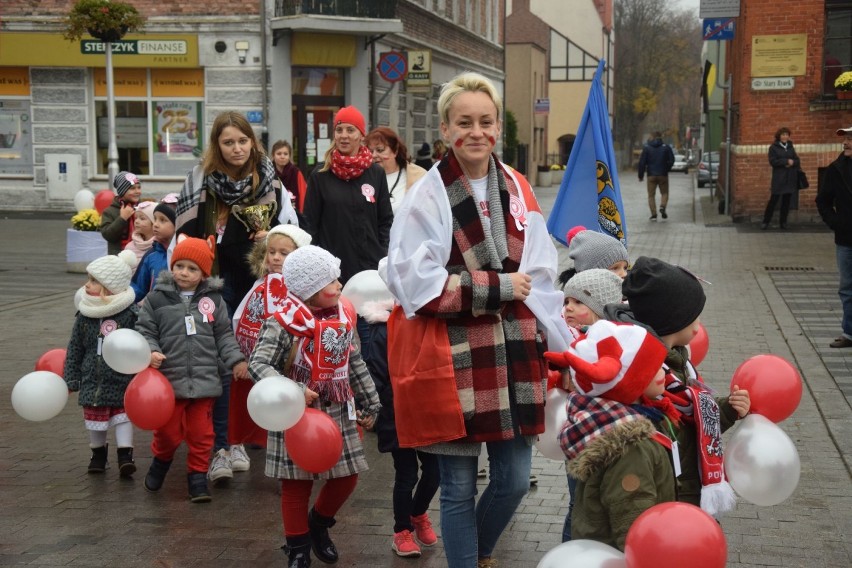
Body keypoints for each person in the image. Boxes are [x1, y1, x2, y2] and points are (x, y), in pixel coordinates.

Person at [385, 71, 570, 568]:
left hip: (514, 352)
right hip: (452, 356)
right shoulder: (425, 195)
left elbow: (543, 271)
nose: (476, 131)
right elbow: (414, 287)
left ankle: (479, 552)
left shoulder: (516, 184)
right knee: (457, 488)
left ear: (497, 128)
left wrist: (563, 341)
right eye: (464, 122)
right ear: (446, 128)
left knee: (512, 482)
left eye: (485, 121)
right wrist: (499, 286)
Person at [248, 245, 381, 568]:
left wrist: (372, 401)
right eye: (330, 281)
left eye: (337, 279)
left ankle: (319, 524)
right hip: (294, 413)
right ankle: (297, 547)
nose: (339, 285)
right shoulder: (282, 322)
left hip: (336, 407)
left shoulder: (342, 316)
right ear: (309, 290)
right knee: (295, 483)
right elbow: (258, 364)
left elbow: (352, 360)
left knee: (346, 476)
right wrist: (294, 389)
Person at [175, 110, 280, 483]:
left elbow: (287, 235)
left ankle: (241, 439)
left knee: (250, 360)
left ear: (252, 141)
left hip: (256, 283)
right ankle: (221, 445)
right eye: (228, 142)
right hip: (214, 283)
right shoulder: (201, 179)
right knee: (220, 363)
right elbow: (185, 236)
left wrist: (268, 236)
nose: (236, 148)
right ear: (217, 146)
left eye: (242, 141)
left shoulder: (267, 177)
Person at [617, 256, 750, 514]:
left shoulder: (678, 363)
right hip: (666, 499)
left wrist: (727, 408)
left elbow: (690, 421)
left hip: (685, 492)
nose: (699, 327)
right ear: (673, 321)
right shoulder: (648, 377)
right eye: (695, 318)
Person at [544, 320, 677, 551]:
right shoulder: (629, 446)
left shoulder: (624, 420)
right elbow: (633, 520)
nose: (663, 371)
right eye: (653, 367)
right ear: (625, 381)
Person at [136, 235, 248, 503]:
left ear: (204, 274)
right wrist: (150, 350)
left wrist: (236, 360)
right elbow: (145, 330)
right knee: (169, 433)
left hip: (204, 381)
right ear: (172, 267)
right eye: (180, 266)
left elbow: (223, 335)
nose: (184, 273)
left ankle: (197, 477)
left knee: (202, 433)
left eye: (192, 268)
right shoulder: (157, 299)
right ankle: (161, 461)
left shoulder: (215, 301)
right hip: (169, 382)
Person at [361, 296, 440, 558]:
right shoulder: (383, 327)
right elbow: (377, 373)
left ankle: (417, 513)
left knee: (435, 471)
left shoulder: (431, 320)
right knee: (406, 474)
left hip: (428, 410)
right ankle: (401, 530)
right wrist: (383, 407)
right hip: (397, 414)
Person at [229, 224, 312, 453]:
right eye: (271, 251)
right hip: (258, 362)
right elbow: (242, 321)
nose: (276, 258)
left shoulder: (303, 290)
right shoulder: (260, 285)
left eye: (284, 253)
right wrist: (243, 358)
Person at [63, 250, 139, 476]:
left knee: (123, 416)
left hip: (120, 377)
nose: (87, 285)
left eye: (94, 281)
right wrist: (71, 377)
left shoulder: (129, 315)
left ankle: (125, 454)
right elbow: (75, 348)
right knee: (95, 418)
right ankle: (98, 453)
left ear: (110, 288)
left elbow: (137, 345)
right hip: (92, 379)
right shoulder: (84, 316)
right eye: (89, 279)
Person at [302, 106, 393, 284]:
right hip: (332, 269)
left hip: (370, 266)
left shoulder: (375, 173)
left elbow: (385, 220)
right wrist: (317, 263)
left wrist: (382, 254)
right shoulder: (320, 175)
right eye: (339, 129)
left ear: (361, 135)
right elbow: (310, 225)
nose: (344, 135)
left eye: (350, 130)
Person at [815, 126, 852, 348]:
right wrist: (836, 223)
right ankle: (849, 333)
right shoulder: (836, 169)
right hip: (846, 240)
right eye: (845, 138)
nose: (846, 142)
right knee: (847, 288)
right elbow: (823, 201)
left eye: (850, 138)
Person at [366, 126, 427, 212]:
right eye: (370, 151)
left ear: (395, 151)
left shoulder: (419, 176)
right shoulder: (365, 177)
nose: (374, 155)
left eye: (380, 150)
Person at [130, 203, 176, 303]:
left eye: (163, 220)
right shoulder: (151, 255)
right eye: (155, 219)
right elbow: (138, 287)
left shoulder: (184, 255)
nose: (155, 224)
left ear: (176, 225)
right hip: (155, 312)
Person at [558, 225, 630, 285]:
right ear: (591, 273)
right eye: (614, 268)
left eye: (625, 268)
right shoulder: (577, 300)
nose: (624, 274)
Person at [762, 127, 800, 230]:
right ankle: (766, 221)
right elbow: (773, 161)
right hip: (779, 178)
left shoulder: (791, 146)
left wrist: (793, 162)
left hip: (789, 177)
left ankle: (783, 222)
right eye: (783, 135)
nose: (785, 136)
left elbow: (797, 160)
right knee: (773, 200)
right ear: (779, 136)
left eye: (786, 134)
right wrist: (786, 161)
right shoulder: (773, 148)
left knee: (786, 202)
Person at [100, 171, 142, 254]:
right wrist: (122, 218)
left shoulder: (142, 208)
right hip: (119, 257)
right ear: (122, 191)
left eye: (139, 187)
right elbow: (108, 235)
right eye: (132, 188)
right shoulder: (109, 211)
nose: (137, 191)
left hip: (140, 254)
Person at [637, 132, 675, 221]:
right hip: (663, 175)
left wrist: (641, 175)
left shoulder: (647, 148)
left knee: (651, 195)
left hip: (651, 175)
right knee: (664, 193)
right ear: (660, 137)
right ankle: (662, 206)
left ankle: (653, 214)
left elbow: (642, 163)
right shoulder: (666, 147)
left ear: (652, 137)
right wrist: (667, 168)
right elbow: (672, 160)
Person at [271, 139, 308, 218]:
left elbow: (303, 194)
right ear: (273, 155)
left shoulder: (296, 173)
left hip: (293, 213)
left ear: (289, 156)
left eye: (285, 154)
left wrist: (302, 214)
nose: (282, 156)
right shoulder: (269, 172)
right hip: (273, 213)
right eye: (279, 154)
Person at [124, 201, 156, 271]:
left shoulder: (159, 246)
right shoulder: (130, 247)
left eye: (142, 218)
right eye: (136, 218)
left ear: (154, 222)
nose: (136, 221)